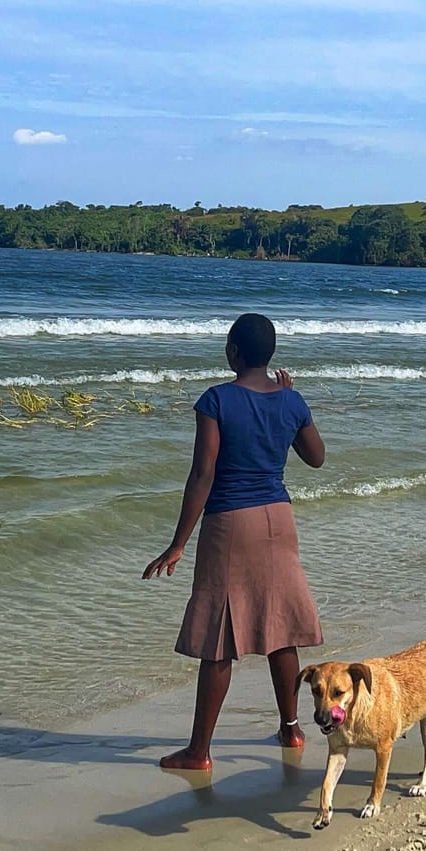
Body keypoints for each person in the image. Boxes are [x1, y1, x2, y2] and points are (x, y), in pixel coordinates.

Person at [143, 312, 327, 771]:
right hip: (279, 520)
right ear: (270, 356)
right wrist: (290, 402)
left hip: (231, 524)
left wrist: (178, 541)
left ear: (232, 352)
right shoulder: (291, 400)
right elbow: (317, 458)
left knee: (219, 639)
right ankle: (291, 729)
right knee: (281, 629)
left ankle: (199, 752)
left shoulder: (216, 401)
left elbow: (203, 474)